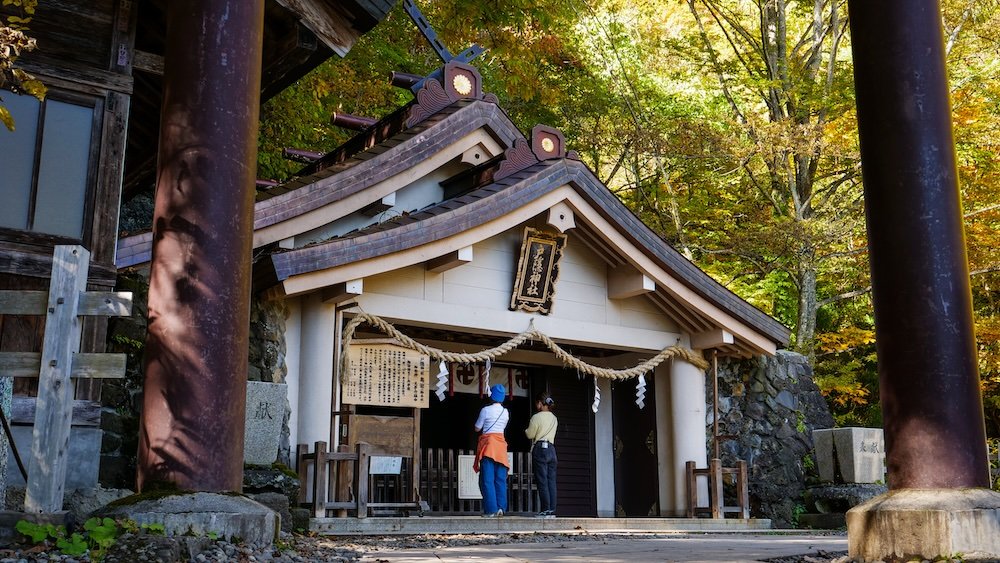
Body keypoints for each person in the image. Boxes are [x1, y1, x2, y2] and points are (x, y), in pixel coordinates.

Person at [473, 383, 510, 517]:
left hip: (488, 447)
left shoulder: (486, 410)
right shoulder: (506, 412)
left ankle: (491, 510)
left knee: (487, 480)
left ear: (491, 396)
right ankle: (501, 508)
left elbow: (477, 428)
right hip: (501, 447)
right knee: (500, 479)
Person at [525, 392, 558, 518]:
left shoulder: (536, 417)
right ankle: (552, 510)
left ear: (540, 403)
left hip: (540, 449)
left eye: (537, 403)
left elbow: (530, 434)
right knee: (551, 481)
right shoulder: (554, 418)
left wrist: (525, 431)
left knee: (542, 480)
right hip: (551, 449)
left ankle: (545, 509)